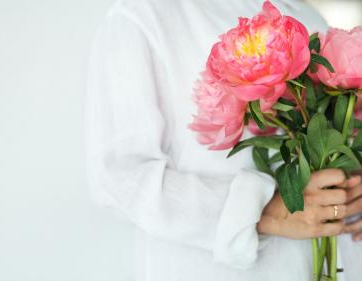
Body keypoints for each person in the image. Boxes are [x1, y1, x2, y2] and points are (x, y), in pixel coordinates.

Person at [85, 0, 362, 280]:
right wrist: (264, 211)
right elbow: (119, 177)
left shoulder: (305, 15)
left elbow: (340, 137)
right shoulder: (141, 19)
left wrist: (353, 188)